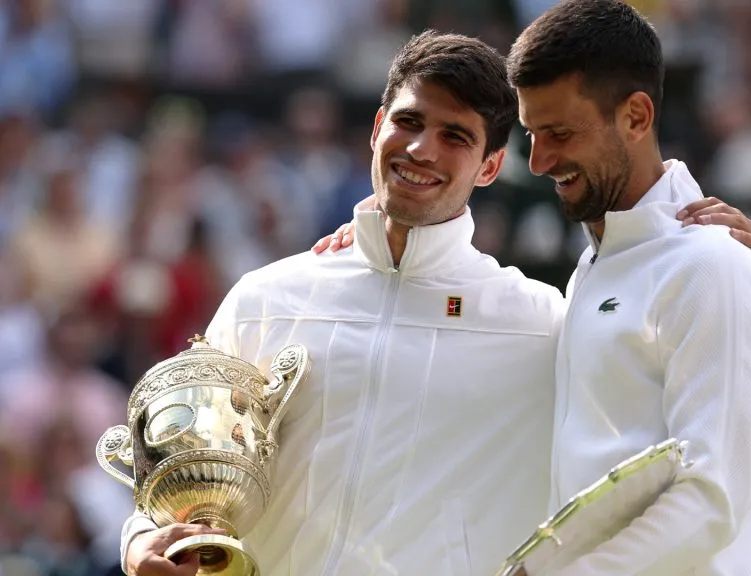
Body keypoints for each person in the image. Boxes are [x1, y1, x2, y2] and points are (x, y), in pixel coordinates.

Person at [119, 31, 565, 576]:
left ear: (491, 167)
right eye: (410, 122)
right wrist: (141, 538)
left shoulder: (542, 323)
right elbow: (181, 461)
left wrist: (689, 225)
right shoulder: (267, 297)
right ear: (378, 129)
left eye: (456, 136)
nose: (422, 149)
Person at [507, 1, 751, 574]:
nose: (539, 161)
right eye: (532, 134)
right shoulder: (595, 266)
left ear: (637, 117)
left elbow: (712, 501)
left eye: (558, 133)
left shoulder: (714, 266)